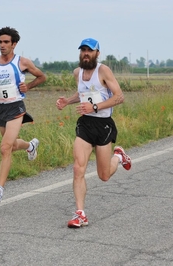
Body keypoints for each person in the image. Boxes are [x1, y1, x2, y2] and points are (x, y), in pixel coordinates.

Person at [56, 38, 132, 228]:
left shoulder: (103, 71)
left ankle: (118, 156)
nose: (85, 54)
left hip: (104, 124)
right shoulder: (77, 73)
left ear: (98, 53)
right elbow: (82, 94)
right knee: (77, 168)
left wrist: (95, 106)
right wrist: (67, 101)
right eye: (83, 50)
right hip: (85, 124)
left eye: (89, 50)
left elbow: (119, 97)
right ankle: (80, 213)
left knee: (104, 175)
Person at [0, 27, 46, 206]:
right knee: (11, 145)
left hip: (16, 108)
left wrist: (29, 86)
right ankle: (31, 145)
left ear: (14, 44)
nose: (2, 45)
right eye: (0, 42)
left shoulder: (22, 62)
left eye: (6, 42)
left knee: (5, 148)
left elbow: (42, 77)